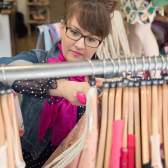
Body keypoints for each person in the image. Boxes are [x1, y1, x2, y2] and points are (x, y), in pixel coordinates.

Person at [0, 1, 111, 167]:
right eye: (74, 32)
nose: (80, 45)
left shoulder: (103, 77)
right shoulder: (39, 60)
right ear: (62, 28)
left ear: (100, 43)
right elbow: (4, 71)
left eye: (91, 39)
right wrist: (62, 88)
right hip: (27, 161)